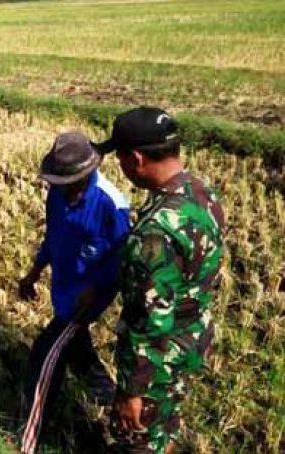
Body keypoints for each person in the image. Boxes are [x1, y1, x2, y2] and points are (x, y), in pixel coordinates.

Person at [94, 107, 225, 453]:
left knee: (137, 439)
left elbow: (150, 322)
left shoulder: (155, 234)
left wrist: (132, 391)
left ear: (136, 159)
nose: (119, 167)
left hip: (158, 363)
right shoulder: (201, 193)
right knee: (164, 428)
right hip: (191, 340)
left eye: (120, 158)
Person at [19, 132, 130, 436]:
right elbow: (53, 238)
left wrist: (96, 291)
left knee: (45, 355)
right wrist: (33, 273)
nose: (60, 188)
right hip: (64, 286)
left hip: (87, 296)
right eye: (57, 182)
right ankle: (108, 396)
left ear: (86, 174)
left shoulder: (112, 206)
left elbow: (123, 260)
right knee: (77, 350)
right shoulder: (57, 193)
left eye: (67, 183)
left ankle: (27, 439)